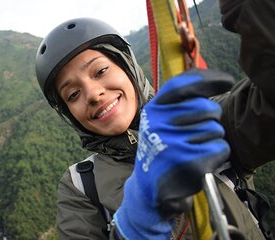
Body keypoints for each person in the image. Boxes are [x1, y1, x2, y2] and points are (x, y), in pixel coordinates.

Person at [35, 0, 275, 239]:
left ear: (128, 67)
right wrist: (135, 224)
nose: (93, 94)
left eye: (100, 71)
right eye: (73, 94)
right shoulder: (80, 186)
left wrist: (257, 16)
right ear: (68, 112)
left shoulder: (198, 120)